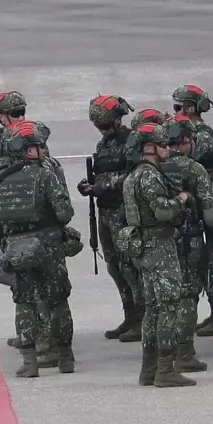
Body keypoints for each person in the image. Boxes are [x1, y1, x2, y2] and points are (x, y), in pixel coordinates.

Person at [0, 120, 77, 376]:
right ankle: (65, 357)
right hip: (49, 247)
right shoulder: (47, 175)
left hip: (17, 248)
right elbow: (65, 213)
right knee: (58, 301)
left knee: (25, 303)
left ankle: (29, 363)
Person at [120, 123, 196, 387]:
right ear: (149, 148)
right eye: (163, 144)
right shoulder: (150, 176)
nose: (168, 149)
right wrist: (182, 199)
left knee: (152, 309)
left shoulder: (132, 176)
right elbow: (163, 212)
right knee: (169, 306)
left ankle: (149, 368)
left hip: (144, 247)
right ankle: (165, 369)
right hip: (159, 246)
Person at [160, 115, 213, 372]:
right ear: (187, 141)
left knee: (163, 298)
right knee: (188, 295)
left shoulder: (152, 168)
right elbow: (210, 212)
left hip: (161, 242)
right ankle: (184, 353)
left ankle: (161, 353)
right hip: (190, 241)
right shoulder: (194, 169)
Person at [78, 94, 144, 342]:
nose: (102, 131)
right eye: (99, 127)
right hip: (106, 212)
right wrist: (89, 185)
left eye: (106, 125)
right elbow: (104, 174)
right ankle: (130, 316)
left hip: (124, 212)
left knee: (130, 268)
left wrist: (104, 184)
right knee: (115, 267)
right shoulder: (103, 146)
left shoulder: (132, 142)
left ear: (118, 119)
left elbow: (135, 174)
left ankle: (142, 317)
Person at [171, 85, 213, 337]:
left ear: (191, 108)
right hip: (192, 202)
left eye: (178, 107)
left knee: (209, 261)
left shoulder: (202, 135)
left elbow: (188, 163)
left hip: (203, 202)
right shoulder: (186, 131)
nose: (174, 112)